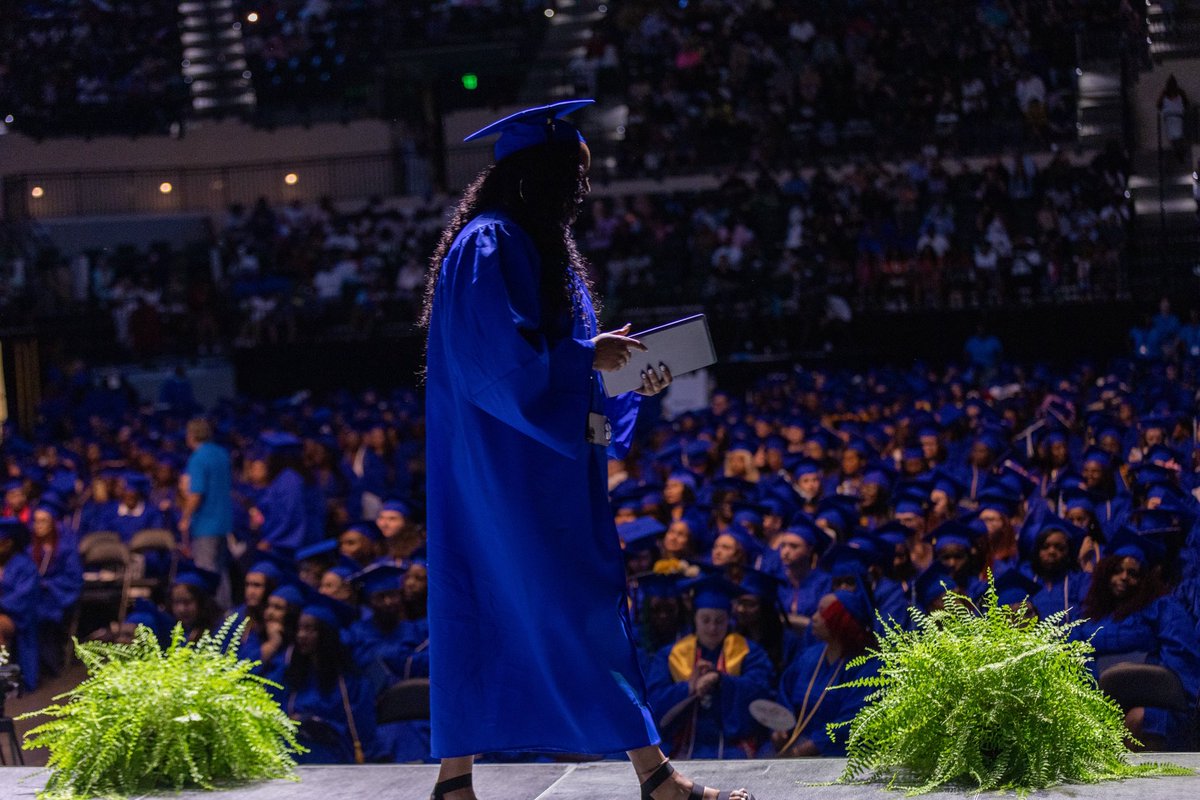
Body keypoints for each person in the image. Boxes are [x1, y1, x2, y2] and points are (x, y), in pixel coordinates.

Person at [422, 100, 753, 800]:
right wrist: (584, 357)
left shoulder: (542, 249)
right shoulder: (489, 243)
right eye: (575, 173)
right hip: (504, 475)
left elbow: (565, 367)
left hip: (543, 470)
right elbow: (497, 366)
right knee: (550, 607)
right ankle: (651, 777)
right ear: (536, 175)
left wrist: (628, 376)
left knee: (530, 607)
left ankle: (458, 787)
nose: (584, 189)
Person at [644, 576, 774, 759]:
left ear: (729, 620)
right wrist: (689, 687)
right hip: (682, 746)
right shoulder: (671, 654)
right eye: (705, 620)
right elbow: (653, 701)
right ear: (694, 619)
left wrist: (721, 680)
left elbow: (762, 691)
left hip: (734, 748)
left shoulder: (748, 652)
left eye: (719, 620)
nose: (712, 628)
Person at [773, 587, 879, 757]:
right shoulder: (810, 656)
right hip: (795, 744)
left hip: (839, 756)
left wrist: (806, 749)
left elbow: (851, 720)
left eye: (823, 613)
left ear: (842, 621)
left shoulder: (869, 668)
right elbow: (785, 692)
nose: (814, 618)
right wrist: (779, 725)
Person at [182, 417, 233, 607]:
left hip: (205, 523)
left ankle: (212, 619)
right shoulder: (222, 454)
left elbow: (196, 494)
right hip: (224, 522)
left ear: (192, 435)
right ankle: (226, 616)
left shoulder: (198, 458)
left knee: (206, 573)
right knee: (221, 571)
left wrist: (185, 517)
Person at [0, 518, 40, 689]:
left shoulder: (25, 566)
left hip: (17, 616)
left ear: (9, 543)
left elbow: (23, 597)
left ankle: (2, 673)